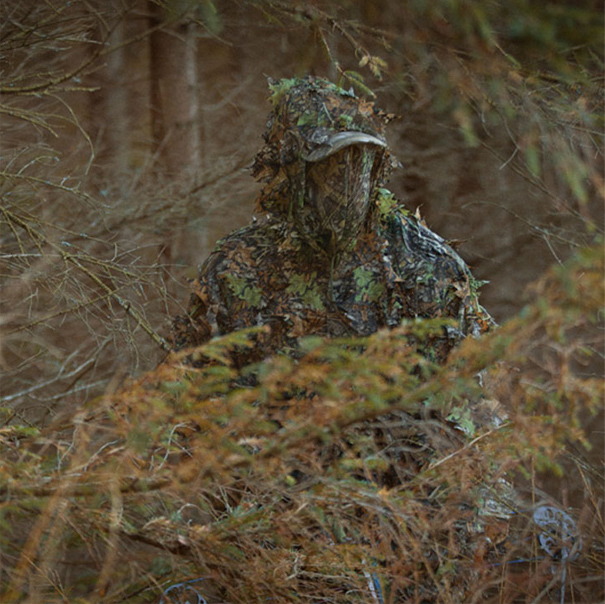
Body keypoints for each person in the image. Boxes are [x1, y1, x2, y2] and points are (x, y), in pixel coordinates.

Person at [172, 76, 493, 366]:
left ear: (376, 167)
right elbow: (188, 396)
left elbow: (477, 401)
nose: (349, 183)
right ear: (296, 171)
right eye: (332, 166)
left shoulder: (429, 268)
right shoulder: (235, 269)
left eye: (360, 162)